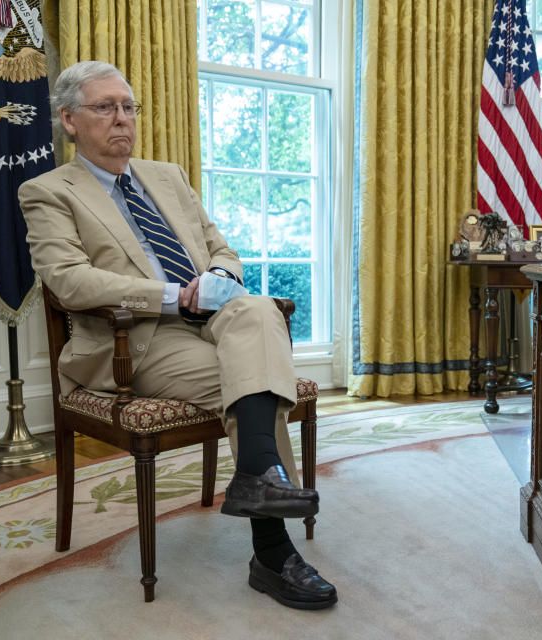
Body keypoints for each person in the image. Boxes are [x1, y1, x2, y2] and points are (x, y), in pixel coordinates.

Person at [19, 61, 337, 610]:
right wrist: (171, 295)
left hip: (213, 318)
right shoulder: (48, 191)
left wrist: (218, 278)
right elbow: (68, 280)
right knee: (256, 380)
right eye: (106, 107)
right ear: (69, 120)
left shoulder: (166, 175)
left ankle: (256, 479)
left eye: (128, 106)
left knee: (257, 307)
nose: (122, 119)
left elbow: (222, 248)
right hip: (134, 340)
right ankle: (272, 549)